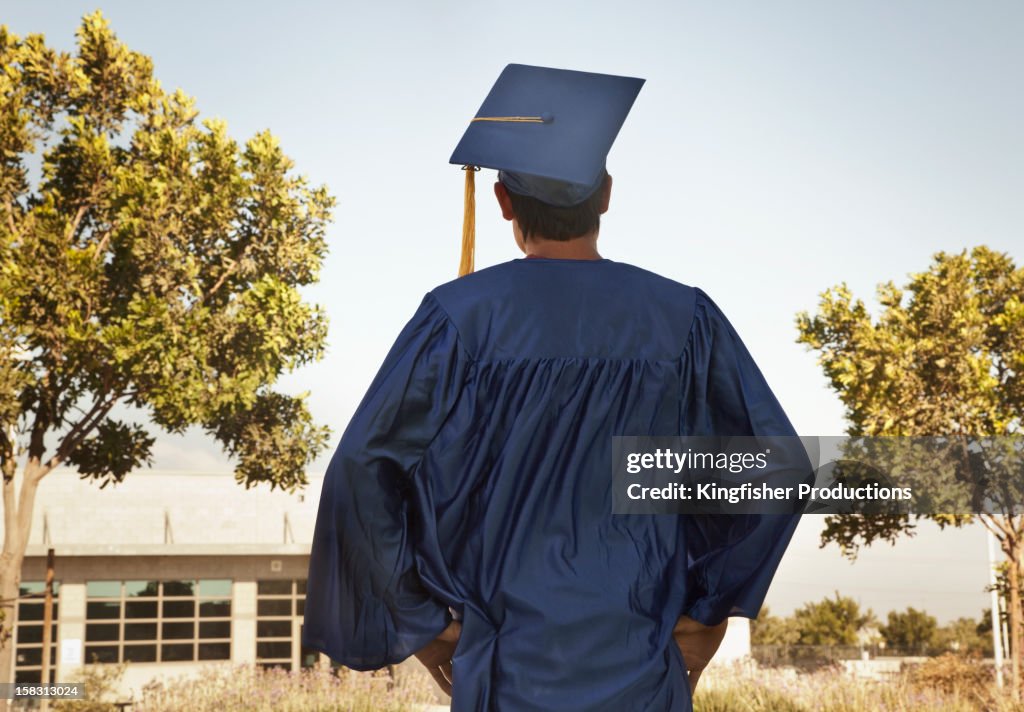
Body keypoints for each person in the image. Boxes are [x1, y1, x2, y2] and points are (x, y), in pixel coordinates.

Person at [303, 64, 806, 712]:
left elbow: (360, 469)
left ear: (502, 202)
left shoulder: (460, 318)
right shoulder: (685, 319)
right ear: (607, 195)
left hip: (503, 677)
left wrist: (425, 627)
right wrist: (705, 616)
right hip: (642, 672)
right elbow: (775, 472)